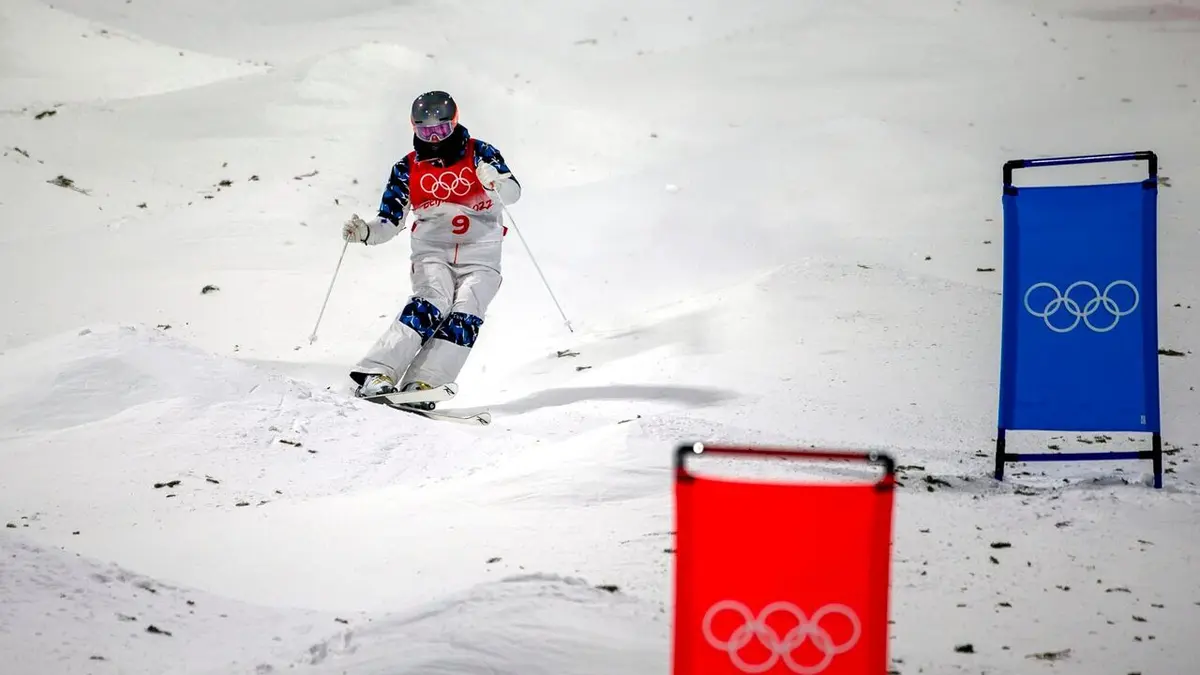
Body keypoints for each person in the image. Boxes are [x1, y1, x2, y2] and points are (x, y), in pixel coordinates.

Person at [341, 90, 521, 405]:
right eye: (426, 131)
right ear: (414, 128)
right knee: (432, 301)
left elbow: (514, 193)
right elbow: (389, 221)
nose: (434, 137)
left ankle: (425, 382)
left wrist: (496, 180)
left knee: (467, 311)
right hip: (433, 251)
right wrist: (366, 232)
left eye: (442, 129)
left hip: (481, 253)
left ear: (455, 122)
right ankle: (377, 371)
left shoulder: (480, 153)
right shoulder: (407, 168)